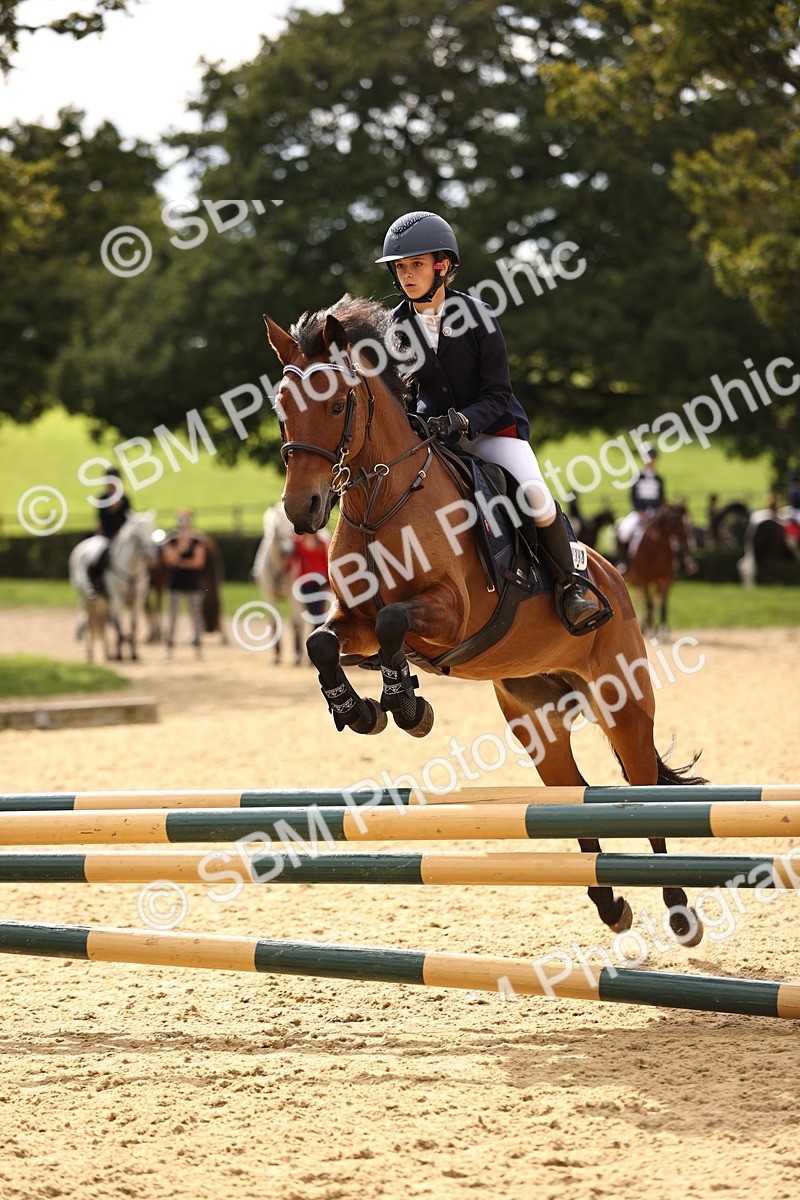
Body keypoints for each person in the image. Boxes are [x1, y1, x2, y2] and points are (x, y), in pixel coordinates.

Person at [376, 210, 604, 634]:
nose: (407, 275)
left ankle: (574, 586)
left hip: (493, 429)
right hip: (435, 436)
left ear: (442, 267)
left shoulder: (477, 315)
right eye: (401, 267)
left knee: (535, 495)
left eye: (417, 265)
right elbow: (401, 394)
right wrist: (417, 422)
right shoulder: (397, 328)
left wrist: (459, 421)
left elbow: (497, 394)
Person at [161, 509, 207, 658]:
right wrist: (182, 553)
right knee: (173, 615)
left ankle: (198, 647)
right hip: (176, 583)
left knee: (195, 615)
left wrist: (180, 561)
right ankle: (170, 647)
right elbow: (169, 560)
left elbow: (199, 562)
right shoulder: (171, 539)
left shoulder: (197, 540)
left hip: (193, 583)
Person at [616, 446, 665, 571]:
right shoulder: (637, 477)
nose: (651, 461)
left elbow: (661, 498)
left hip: (655, 514)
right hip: (639, 513)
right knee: (623, 532)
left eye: (653, 458)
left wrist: (657, 512)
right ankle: (624, 561)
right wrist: (640, 512)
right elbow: (633, 497)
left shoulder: (659, 479)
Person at [86, 467, 132, 596]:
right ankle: (95, 583)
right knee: (98, 556)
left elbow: (129, 518)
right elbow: (101, 519)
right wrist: (111, 510)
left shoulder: (125, 499)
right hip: (106, 535)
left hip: (122, 536)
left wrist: (122, 532)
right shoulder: (102, 498)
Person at [289, 530, 331, 629]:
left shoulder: (322, 542)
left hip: (321, 583)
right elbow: (292, 561)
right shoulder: (298, 543)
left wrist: (329, 583)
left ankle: (316, 641)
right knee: (316, 616)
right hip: (306, 584)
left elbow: (326, 563)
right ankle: (317, 640)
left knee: (319, 616)